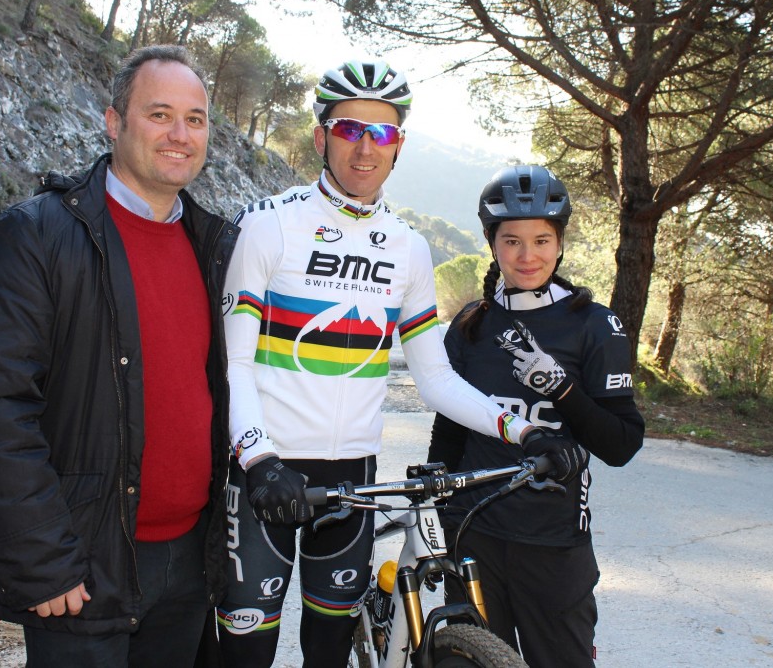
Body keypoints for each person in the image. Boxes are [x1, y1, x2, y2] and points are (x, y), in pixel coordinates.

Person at [216, 60, 574, 667]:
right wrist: (259, 460)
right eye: (349, 129)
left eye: (381, 133)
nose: (365, 148)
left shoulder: (409, 248)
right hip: (265, 473)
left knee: (329, 653)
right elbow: (234, 365)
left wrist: (524, 431)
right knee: (245, 655)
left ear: (398, 144)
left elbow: (434, 378)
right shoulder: (269, 225)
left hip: (352, 477)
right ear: (320, 135)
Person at [0, 45, 238, 667]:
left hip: (188, 563)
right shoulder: (37, 234)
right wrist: (42, 558)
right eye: (159, 114)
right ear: (113, 121)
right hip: (81, 566)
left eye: (195, 119)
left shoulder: (213, 245)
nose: (180, 135)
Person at [427, 165, 645, 667]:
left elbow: (621, 445)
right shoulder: (470, 323)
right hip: (473, 535)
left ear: (560, 242)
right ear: (492, 244)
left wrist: (562, 389)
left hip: (553, 542)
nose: (527, 256)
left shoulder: (594, 325)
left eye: (542, 240)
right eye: (512, 241)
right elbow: (450, 430)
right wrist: (440, 520)